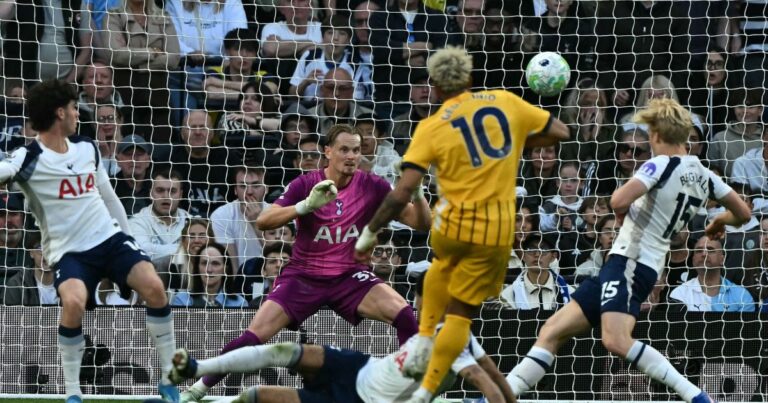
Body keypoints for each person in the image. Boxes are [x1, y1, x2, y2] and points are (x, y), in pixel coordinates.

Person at [354, 46, 570, 403]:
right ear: (470, 79)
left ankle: (430, 347)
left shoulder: (431, 126)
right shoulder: (505, 102)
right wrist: (511, 140)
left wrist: (368, 234)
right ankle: (425, 393)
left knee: (436, 299)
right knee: (460, 320)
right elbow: (560, 131)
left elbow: (401, 193)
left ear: (435, 88)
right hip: (493, 233)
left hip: (449, 228)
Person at [504, 98, 752, 403]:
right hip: (638, 264)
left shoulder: (660, 164)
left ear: (658, 135)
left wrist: (624, 211)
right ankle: (500, 396)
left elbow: (618, 201)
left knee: (616, 340)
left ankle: (698, 397)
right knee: (553, 329)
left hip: (630, 263)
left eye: (649, 135)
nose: (649, 142)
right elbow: (743, 214)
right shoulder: (706, 175)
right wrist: (720, 221)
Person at [179, 124, 431, 402]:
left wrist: (417, 193)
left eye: (356, 151)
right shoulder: (307, 184)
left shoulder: (373, 185)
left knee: (405, 314)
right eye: (344, 149)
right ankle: (197, 389)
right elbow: (263, 221)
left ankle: (411, 392)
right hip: (303, 276)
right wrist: (305, 206)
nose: (351, 156)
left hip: (349, 277)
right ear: (328, 152)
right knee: (255, 335)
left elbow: (421, 223)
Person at [0, 80, 179, 402]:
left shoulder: (86, 148)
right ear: (59, 113)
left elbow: (110, 199)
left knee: (154, 287)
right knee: (73, 303)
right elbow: (7, 168)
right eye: (72, 108)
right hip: (69, 251)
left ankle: (169, 380)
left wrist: (126, 239)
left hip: (109, 239)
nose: (76, 115)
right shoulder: (27, 158)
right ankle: (73, 392)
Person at [169, 271, 515, 403]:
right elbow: (496, 378)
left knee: (254, 396)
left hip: (359, 400)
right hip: (361, 367)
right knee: (284, 350)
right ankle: (198, 369)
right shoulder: (458, 334)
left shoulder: (452, 341)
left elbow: (485, 381)